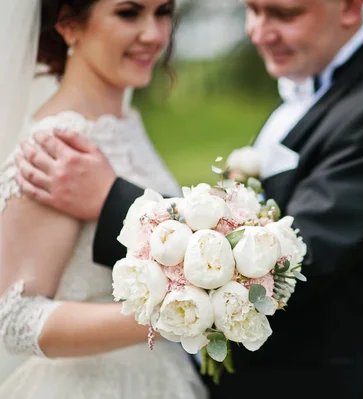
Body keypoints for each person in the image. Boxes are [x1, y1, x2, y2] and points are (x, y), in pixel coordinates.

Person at [16, 0, 363, 397]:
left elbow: (302, 255)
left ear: (350, 7)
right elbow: (14, 311)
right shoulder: (65, 141)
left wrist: (110, 200)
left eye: (284, 14)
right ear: (68, 26)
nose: (259, 32)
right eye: (253, 10)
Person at [0, 0, 207, 397]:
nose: (155, 34)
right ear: (69, 25)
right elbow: (15, 318)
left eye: (162, 12)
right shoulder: (55, 147)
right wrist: (176, 314)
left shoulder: (123, 120)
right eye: (129, 13)